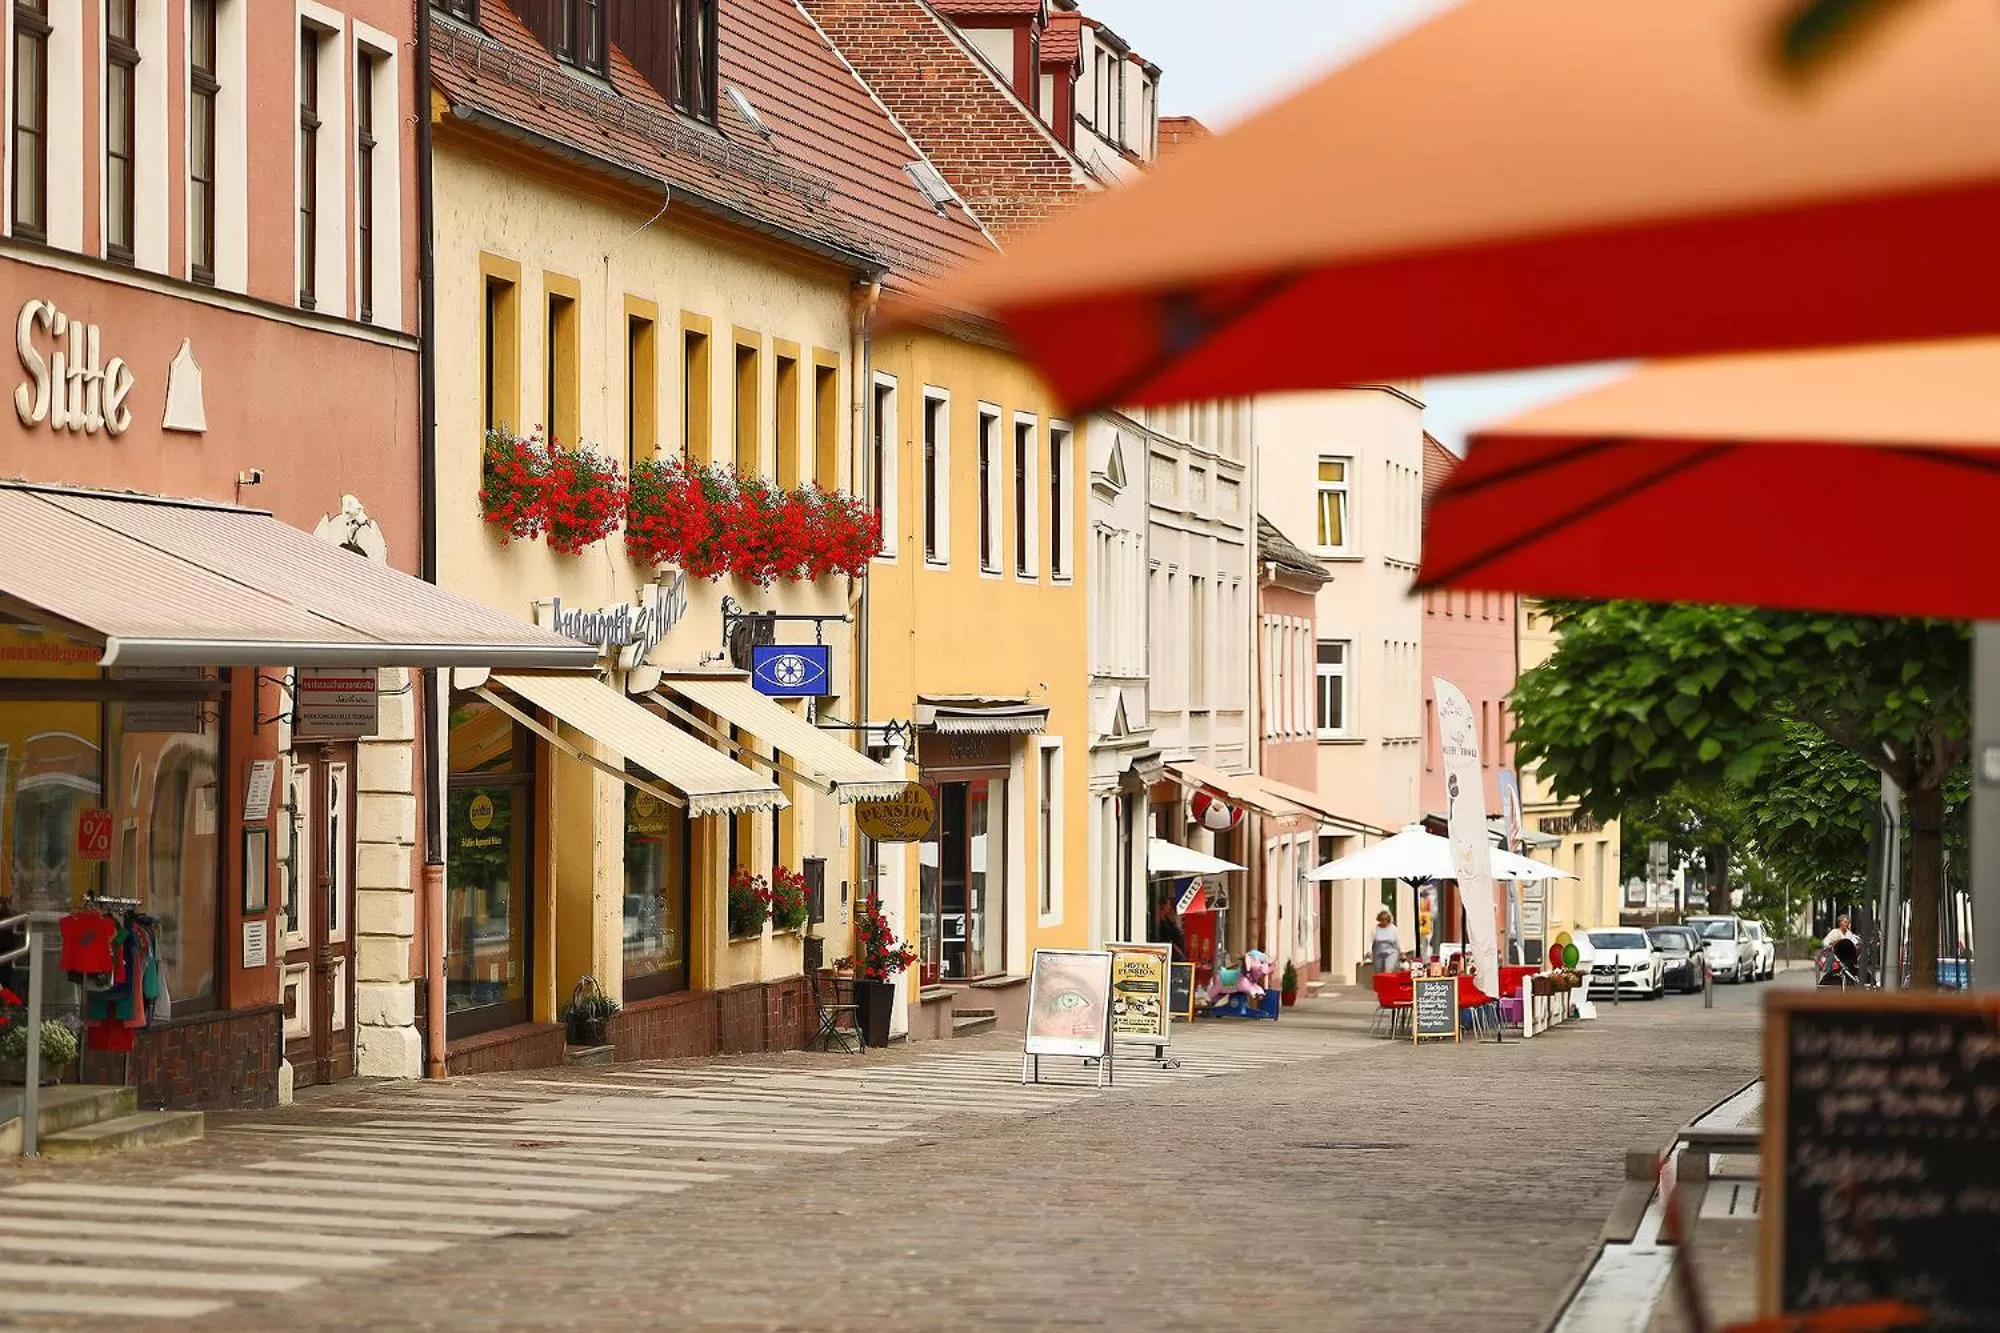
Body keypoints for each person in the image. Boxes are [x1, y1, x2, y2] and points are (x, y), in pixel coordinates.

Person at [1154, 897, 1187, 963]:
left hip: (1173, 952)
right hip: (1166, 952)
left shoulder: (1168, 920)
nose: (1170, 907)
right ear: (1163, 906)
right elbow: (1168, 940)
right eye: (1168, 905)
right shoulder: (1160, 923)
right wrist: (1179, 952)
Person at [1370, 910, 1400, 975]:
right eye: (1382, 919)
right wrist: (1369, 951)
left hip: (1391, 952)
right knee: (1379, 973)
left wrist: (1403, 952)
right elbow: (1371, 941)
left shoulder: (1393, 928)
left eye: (1385, 919)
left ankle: (1387, 984)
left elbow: (1398, 941)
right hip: (1378, 953)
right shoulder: (1375, 929)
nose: (1383, 921)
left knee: (1388, 970)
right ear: (1379, 919)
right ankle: (1381, 984)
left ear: (1388, 919)